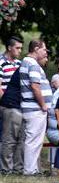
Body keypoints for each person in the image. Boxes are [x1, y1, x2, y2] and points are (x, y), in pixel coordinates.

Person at [20, 40, 52, 175]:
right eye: (44, 50)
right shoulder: (32, 64)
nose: (46, 53)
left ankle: (32, 169)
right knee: (33, 141)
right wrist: (43, 105)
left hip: (31, 108)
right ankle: (30, 170)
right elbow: (35, 86)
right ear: (36, 49)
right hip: (35, 109)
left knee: (34, 140)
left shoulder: (27, 62)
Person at [0, 36, 23, 166]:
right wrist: (7, 102)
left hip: (19, 105)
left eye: (21, 48)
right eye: (17, 48)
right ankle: (5, 167)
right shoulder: (1, 62)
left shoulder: (19, 64)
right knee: (8, 137)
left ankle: (17, 166)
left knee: (19, 137)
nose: (20, 51)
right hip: (7, 105)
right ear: (9, 48)